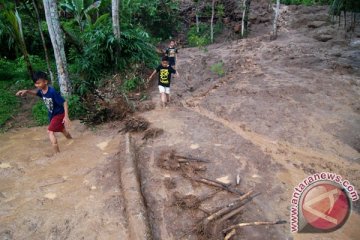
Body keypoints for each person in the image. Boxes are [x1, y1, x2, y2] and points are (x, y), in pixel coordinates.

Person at [16, 71, 72, 154]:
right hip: (52, 115)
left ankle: (57, 154)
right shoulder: (41, 90)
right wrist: (26, 91)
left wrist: (66, 116)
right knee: (62, 129)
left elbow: (64, 102)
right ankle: (72, 141)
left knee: (50, 131)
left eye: (39, 83)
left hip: (59, 114)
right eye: (36, 83)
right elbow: (36, 93)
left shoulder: (52, 92)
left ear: (45, 82)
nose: (37, 85)